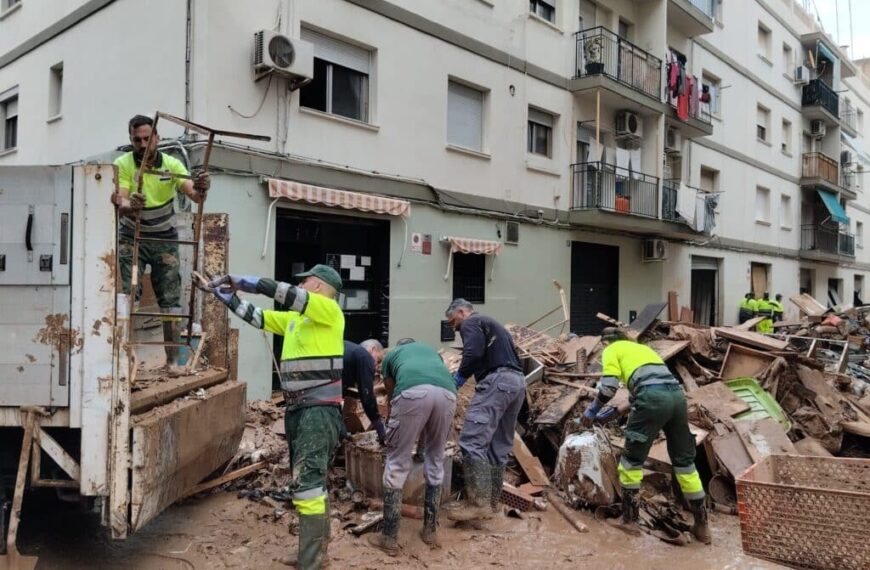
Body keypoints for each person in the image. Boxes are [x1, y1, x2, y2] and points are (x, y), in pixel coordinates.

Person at [202, 265, 344, 569]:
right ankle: (315, 553)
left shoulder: (329, 310)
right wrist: (228, 298)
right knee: (309, 484)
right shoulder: (296, 320)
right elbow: (260, 317)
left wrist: (247, 282)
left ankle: (312, 561)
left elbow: (287, 293)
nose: (301, 284)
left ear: (317, 286)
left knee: (307, 486)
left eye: (305, 281)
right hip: (298, 410)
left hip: (318, 412)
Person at [581, 327, 710, 544]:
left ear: (605, 343)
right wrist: (614, 412)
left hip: (652, 399)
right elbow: (649, 386)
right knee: (685, 463)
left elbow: (608, 389)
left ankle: (629, 520)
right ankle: (702, 527)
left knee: (631, 461)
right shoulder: (642, 350)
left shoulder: (611, 350)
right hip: (677, 398)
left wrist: (592, 411)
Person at [113, 114, 210, 375]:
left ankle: (173, 362)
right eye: (137, 140)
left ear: (157, 137)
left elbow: (195, 195)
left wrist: (202, 188)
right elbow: (118, 202)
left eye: (147, 138)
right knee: (125, 296)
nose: (143, 144)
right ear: (131, 140)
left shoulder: (171, 164)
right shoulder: (123, 164)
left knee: (170, 300)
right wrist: (128, 204)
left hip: (164, 239)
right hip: (132, 237)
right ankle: (124, 359)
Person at [367, 338, 457, 555]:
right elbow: (431, 400)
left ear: (399, 346)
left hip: (412, 393)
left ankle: (389, 537)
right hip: (447, 394)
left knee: (397, 461)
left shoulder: (392, 355)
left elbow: (391, 391)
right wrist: (421, 448)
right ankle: (430, 531)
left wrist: (395, 420)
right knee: (435, 460)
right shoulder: (431, 352)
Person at [443, 299, 524, 523]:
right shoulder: (494, 325)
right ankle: (492, 503)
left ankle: (478, 504)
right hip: (516, 383)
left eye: (453, 322)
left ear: (461, 312)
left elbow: (473, 352)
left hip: (496, 382)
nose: (454, 327)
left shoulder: (472, 322)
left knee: (470, 441)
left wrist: (459, 378)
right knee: (499, 446)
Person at [342, 339, 386, 442]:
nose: (376, 367)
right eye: (378, 361)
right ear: (373, 350)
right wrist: (379, 427)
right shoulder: (364, 356)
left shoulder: (348, 350)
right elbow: (366, 395)